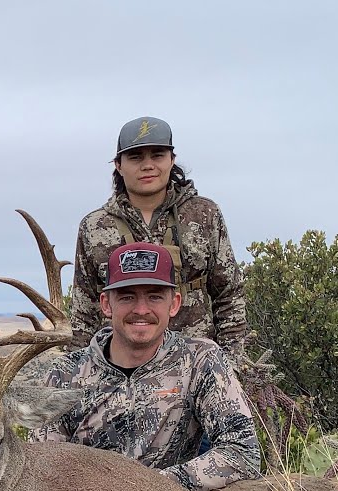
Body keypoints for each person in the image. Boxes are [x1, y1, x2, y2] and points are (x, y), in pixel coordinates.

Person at [36, 243, 261, 491]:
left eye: (154, 296)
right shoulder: (64, 373)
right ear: (106, 304)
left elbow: (243, 452)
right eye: (127, 297)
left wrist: (151, 489)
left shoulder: (200, 360)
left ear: (174, 304)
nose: (141, 310)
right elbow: (41, 467)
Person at [68, 116, 248, 358]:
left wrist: (230, 363)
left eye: (157, 155)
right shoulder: (94, 226)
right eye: (136, 157)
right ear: (118, 165)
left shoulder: (204, 214)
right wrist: (78, 368)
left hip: (195, 364)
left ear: (172, 160)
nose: (148, 165)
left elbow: (229, 294)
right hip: (120, 368)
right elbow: (83, 311)